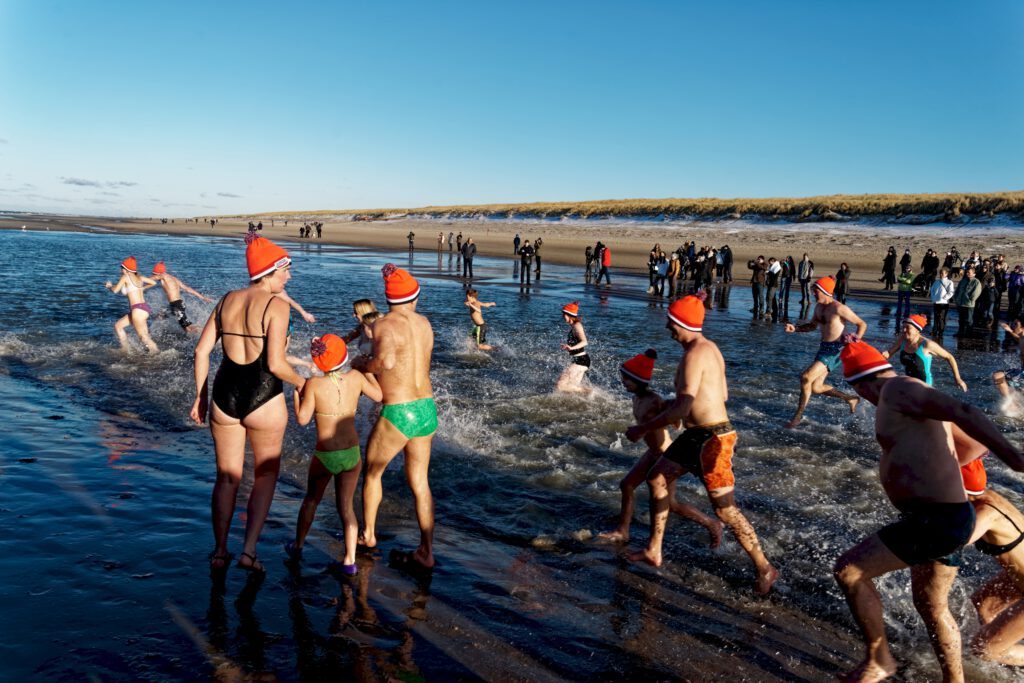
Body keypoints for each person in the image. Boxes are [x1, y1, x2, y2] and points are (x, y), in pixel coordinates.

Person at [832, 338, 1024, 682]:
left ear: (861, 386)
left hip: (939, 519)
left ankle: (879, 661)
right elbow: (973, 442)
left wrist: (1013, 458)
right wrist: (937, 470)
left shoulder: (896, 390)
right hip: (938, 516)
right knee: (932, 607)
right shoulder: (905, 396)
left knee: (849, 570)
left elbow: (966, 412)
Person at [624, 293, 778, 594]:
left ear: (683, 323)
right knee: (657, 479)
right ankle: (654, 550)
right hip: (697, 435)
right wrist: (675, 404)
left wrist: (644, 427)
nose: (668, 327)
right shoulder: (707, 349)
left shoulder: (695, 354)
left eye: (671, 322)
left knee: (725, 511)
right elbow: (720, 396)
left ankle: (765, 567)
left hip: (714, 439)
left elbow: (683, 409)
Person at [191, 235, 307, 572]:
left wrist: (201, 394)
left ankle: (219, 551)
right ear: (271, 271)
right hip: (264, 397)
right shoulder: (277, 306)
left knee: (227, 477)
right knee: (265, 475)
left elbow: (201, 351)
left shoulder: (226, 300)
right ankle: (250, 551)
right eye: (286, 269)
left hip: (224, 396)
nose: (289, 277)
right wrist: (304, 382)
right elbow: (275, 365)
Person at [351, 264, 438, 573]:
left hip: (399, 411)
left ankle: (368, 535)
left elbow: (385, 362)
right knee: (420, 483)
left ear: (389, 300)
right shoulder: (424, 323)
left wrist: (362, 364)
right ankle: (426, 551)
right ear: (413, 297)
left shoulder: (386, 325)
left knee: (372, 474)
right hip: (427, 409)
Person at [599, 349, 723, 547]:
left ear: (639, 381)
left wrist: (679, 416)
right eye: (623, 378)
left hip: (666, 454)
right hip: (653, 452)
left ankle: (712, 523)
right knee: (627, 485)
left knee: (671, 504)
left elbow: (674, 413)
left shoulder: (654, 400)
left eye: (627, 380)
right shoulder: (636, 398)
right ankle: (623, 531)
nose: (623, 382)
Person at [287, 335, 382, 575]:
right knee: (346, 508)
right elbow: (379, 396)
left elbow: (302, 419)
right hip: (351, 454)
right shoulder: (356, 378)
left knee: (311, 499)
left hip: (326, 453)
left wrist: (296, 398)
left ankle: (298, 545)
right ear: (344, 357)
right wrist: (365, 369)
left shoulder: (314, 384)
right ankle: (350, 561)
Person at [959, 458, 1024, 666]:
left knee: (982, 648)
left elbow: (955, 542)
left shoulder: (986, 512)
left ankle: (996, 651)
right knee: (983, 605)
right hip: (1018, 577)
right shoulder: (988, 498)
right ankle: (999, 650)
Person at [784, 276, 866, 428]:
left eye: (816, 291)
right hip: (824, 348)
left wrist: (856, 338)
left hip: (836, 349)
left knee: (806, 377)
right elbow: (812, 326)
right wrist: (795, 328)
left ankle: (798, 416)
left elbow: (862, 324)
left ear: (825, 291)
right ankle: (850, 398)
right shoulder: (819, 308)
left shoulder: (839, 308)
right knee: (816, 387)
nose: (813, 294)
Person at [881, 314, 968, 391]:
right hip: (909, 384)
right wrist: (881, 356)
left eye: (908, 327)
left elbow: (949, 357)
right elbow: (889, 353)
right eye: (903, 327)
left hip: (924, 387)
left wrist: (957, 378)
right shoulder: (902, 340)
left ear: (917, 330)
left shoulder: (927, 344)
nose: (904, 330)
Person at [104, 256, 160, 354]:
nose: (121, 270)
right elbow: (154, 283)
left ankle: (157, 353)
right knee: (118, 326)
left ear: (126, 269)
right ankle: (125, 348)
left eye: (122, 268)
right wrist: (143, 288)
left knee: (143, 337)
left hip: (137, 310)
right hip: (144, 308)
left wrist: (109, 286)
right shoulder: (140, 278)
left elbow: (115, 290)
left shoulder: (125, 277)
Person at [150, 261, 214, 333]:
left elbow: (152, 278)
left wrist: (138, 280)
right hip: (177, 304)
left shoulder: (163, 276)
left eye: (153, 273)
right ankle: (153, 332)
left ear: (157, 273)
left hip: (176, 305)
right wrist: (203, 297)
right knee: (160, 315)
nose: (153, 275)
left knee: (187, 328)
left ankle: (207, 332)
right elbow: (187, 288)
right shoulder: (173, 278)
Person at [556, 302, 591, 393]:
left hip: (581, 360)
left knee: (560, 385)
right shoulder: (573, 326)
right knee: (571, 390)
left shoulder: (577, 326)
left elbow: (585, 342)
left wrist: (571, 348)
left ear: (569, 315)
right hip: (579, 360)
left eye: (564, 314)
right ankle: (589, 399)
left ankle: (589, 392)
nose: (563, 316)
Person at [952, 265, 981, 337]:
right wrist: (956, 298)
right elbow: (958, 290)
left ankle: (969, 333)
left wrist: (970, 299)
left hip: (968, 304)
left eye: (969, 272)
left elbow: (976, 292)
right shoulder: (963, 281)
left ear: (974, 274)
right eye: (967, 272)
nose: (967, 273)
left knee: (969, 320)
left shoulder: (976, 282)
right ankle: (960, 332)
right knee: (961, 320)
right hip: (960, 303)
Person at [930, 267, 955, 337]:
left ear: (946, 274)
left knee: (941, 318)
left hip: (944, 303)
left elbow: (951, 292)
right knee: (935, 318)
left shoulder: (949, 282)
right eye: (940, 273)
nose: (941, 274)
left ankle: (940, 332)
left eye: (942, 273)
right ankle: (934, 331)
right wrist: (933, 298)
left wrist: (945, 298)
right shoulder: (936, 281)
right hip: (936, 302)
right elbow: (932, 290)